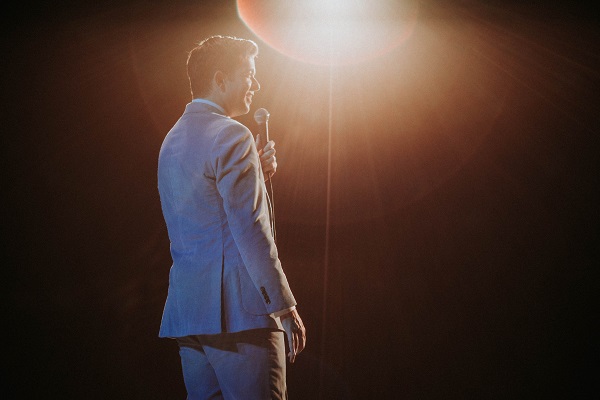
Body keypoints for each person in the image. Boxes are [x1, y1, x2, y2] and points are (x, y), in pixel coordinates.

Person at [157, 35, 306, 399]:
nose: (256, 84)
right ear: (221, 80)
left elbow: (205, 211)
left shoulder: (171, 140)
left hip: (190, 316)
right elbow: (250, 228)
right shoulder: (232, 135)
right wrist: (283, 305)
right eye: (249, 74)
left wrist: (256, 173)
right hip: (241, 315)